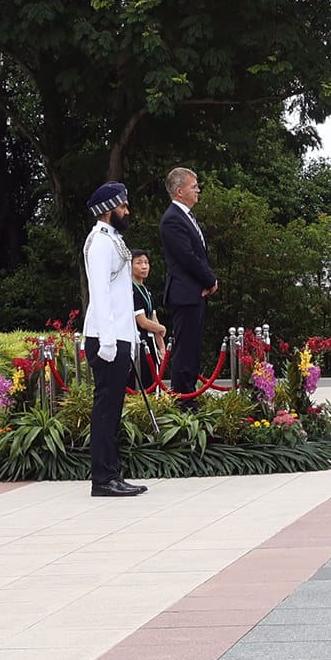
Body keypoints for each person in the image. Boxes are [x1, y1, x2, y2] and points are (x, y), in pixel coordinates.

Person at [83, 184, 146, 498]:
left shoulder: (113, 240)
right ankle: (103, 479)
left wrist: (129, 339)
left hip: (119, 337)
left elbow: (121, 297)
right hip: (105, 338)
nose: (127, 211)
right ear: (110, 208)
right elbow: (100, 294)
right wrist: (109, 341)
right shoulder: (100, 243)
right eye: (124, 205)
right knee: (106, 411)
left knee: (113, 410)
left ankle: (112, 474)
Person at [160, 167, 218, 396]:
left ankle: (190, 395)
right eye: (194, 186)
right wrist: (210, 279)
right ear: (179, 190)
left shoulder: (187, 216)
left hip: (195, 292)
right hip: (184, 293)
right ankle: (183, 398)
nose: (198, 190)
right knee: (185, 350)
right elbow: (187, 257)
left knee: (193, 349)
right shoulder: (172, 219)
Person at [130, 251, 166, 392]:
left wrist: (161, 347)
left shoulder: (147, 290)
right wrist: (161, 328)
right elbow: (143, 322)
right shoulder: (131, 290)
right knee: (143, 380)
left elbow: (153, 318)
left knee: (154, 380)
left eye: (146, 262)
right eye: (139, 263)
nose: (144, 266)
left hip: (151, 343)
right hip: (139, 342)